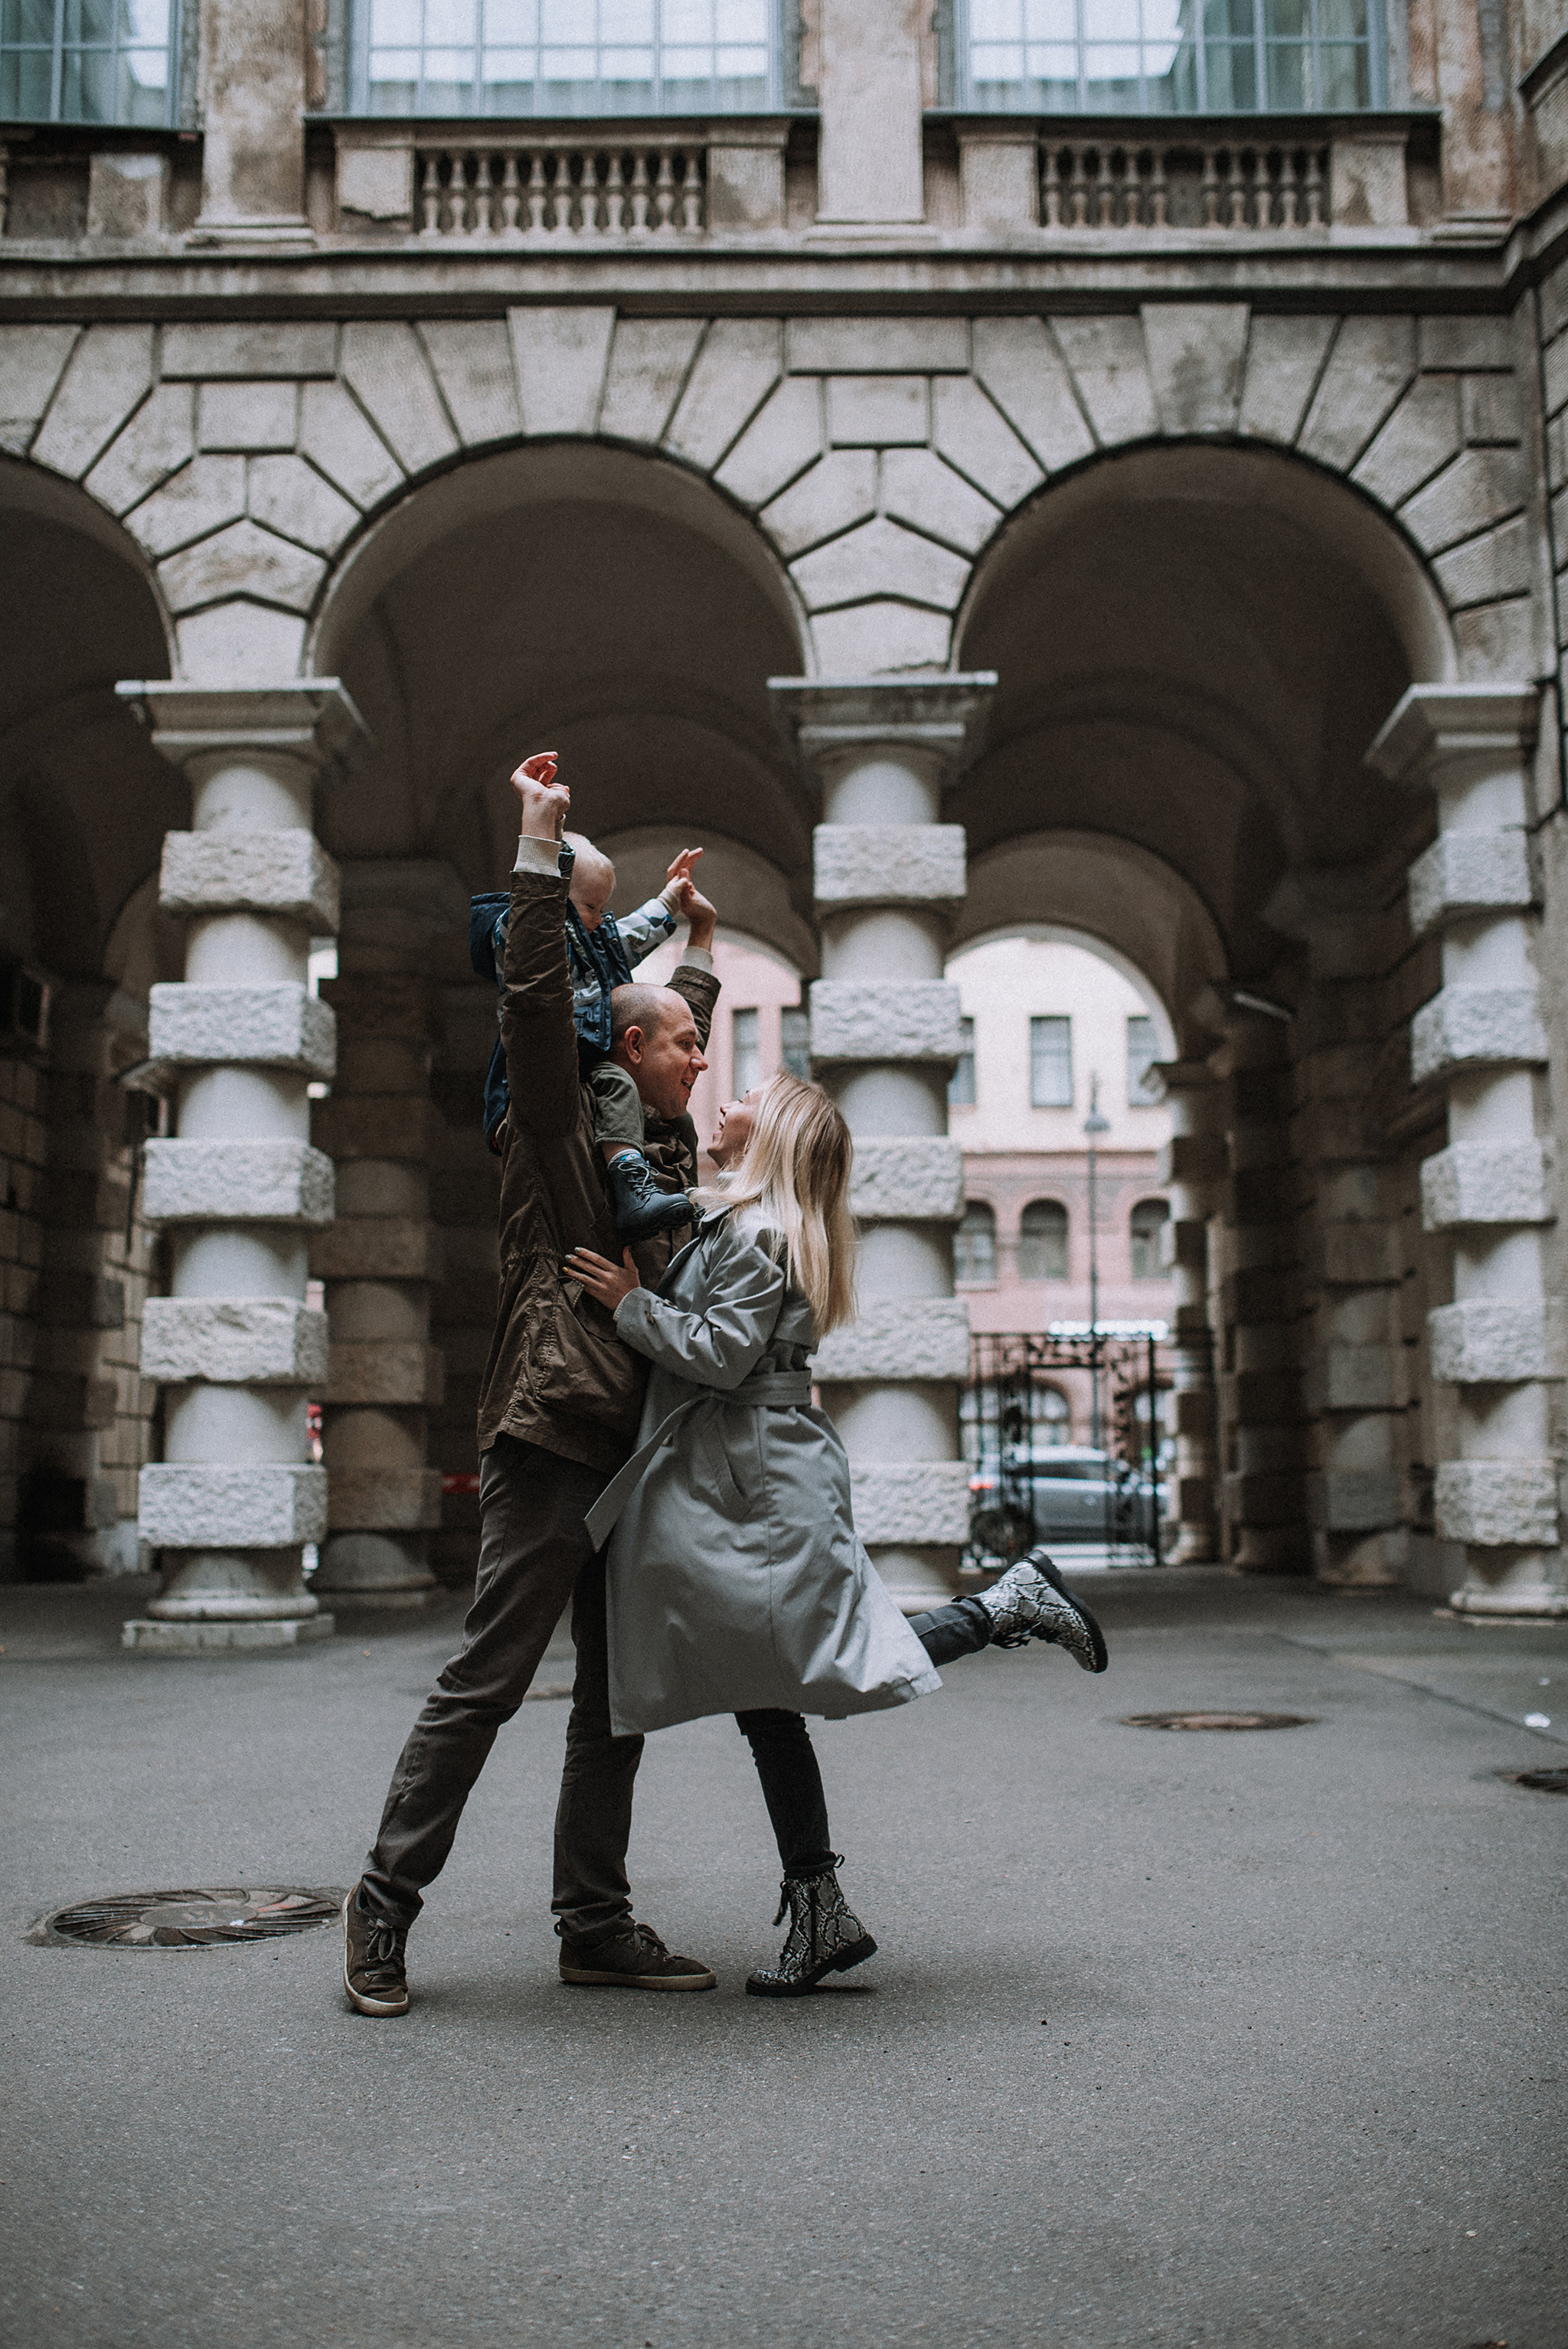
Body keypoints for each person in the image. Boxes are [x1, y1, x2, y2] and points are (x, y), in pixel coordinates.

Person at [564, 1072, 1109, 2000]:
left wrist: (629, 1301)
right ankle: (819, 1909)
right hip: (748, 1479)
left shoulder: (758, 1231)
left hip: (755, 1485)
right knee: (765, 1689)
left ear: (769, 1131)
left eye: (739, 1094)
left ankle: (1005, 1604)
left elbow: (720, 1354)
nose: (722, 1101)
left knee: (813, 1662)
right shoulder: (746, 1219)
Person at [342, 751, 724, 2017]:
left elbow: (666, 1044)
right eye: (673, 1031)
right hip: (556, 1427)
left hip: (642, 1444)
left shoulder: (651, 1141)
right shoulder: (557, 1131)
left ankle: (593, 1923)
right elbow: (541, 1000)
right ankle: (382, 1907)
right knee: (488, 1682)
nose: (693, 1054)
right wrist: (535, 847)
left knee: (615, 1701)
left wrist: (700, 956)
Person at [470, 823, 709, 1241]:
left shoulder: (600, 941)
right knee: (618, 1082)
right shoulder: (537, 940)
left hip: (592, 1061)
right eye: (592, 907)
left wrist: (674, 898)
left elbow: (640, 936)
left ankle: (662, 1193)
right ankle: (630, 1182)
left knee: (677, 1118)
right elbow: (525, 939)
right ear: (557, 901)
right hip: (553, 1072)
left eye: (603, 909)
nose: (601, 920)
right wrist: (543, 848)